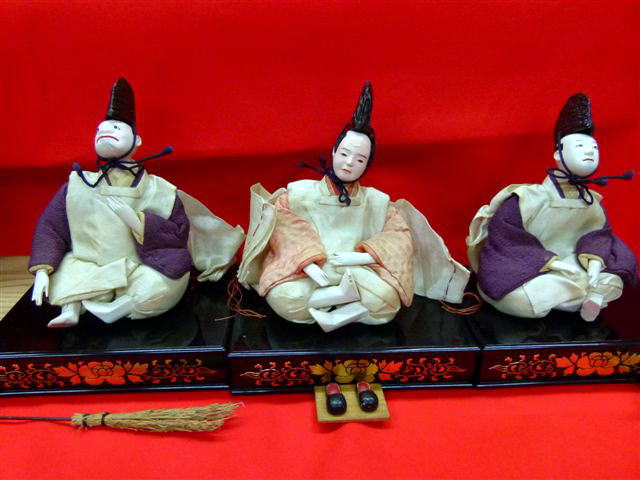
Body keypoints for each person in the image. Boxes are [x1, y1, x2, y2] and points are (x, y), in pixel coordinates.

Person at [239, 82, 468, 332]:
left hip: (357, 272)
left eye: (359, 159)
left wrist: (361, 257)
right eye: (344, 154)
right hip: (309, 273)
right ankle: (346, 304)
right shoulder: (298, 194)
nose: (349, 163)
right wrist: (308, 263)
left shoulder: (376, 201)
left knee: (389, 302)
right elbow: (283, 229)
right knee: (286, 299)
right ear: (334, 151)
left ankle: (334, 311)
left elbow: (399, 237)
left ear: (367, 164)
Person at [30, 78, 244, 328]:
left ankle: (116, 307)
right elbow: (51, 227)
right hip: (88, 265)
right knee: (63, 275)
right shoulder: (77, 185)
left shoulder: (159, 190)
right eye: (100, 130)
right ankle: (73, 309)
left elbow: (178, 233)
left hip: (140, 266)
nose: (105, 132)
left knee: (165, 285)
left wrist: (138, 222)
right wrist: (42, 270)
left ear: (137, 140)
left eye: (115, 128)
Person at [467, 93, 637, 321]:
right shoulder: (527, 198)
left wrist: (595, 262)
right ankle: (585, 296)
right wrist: (552, 263)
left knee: (613, 279)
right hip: (530, 269)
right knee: (520, 298)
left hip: (575, 264)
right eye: (580, 146)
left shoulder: (591, 202)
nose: (589, 152)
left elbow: (599, 236)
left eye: (594, 148)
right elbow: (506, 240)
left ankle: (587, 293)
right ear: (558, 154)